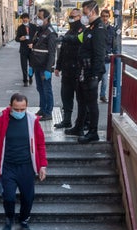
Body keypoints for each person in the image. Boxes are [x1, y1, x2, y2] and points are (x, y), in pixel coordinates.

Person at [0, 93, 47, 230]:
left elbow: (40, 144)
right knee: (8, 197)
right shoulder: (0, 121)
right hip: (8, 166)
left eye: (23, 109)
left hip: (26, 167)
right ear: (10, 107)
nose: (20, 112)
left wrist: (42, 165)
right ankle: (9, 219)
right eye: (17, 109)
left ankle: (23, 220)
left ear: (26, 107)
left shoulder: (33, 121)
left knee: (28, 197)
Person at [66, 0, 106, 143]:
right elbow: (79, 40)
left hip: (91, 73)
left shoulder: (99, 28)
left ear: (92, 11)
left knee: (91, 103)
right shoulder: (90, 28)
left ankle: (93, 132)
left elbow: (99, 54)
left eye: (84, 12)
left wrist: (95, 75)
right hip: (83, 71)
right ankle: (79, 127)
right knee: (81, 101)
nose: (83, 16)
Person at [53, 9, 85, 129]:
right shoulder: (69, 32)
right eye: (70, 16)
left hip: (78, 71)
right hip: (67, 71)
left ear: (80, 17)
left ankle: (82, 123)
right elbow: (63, 51)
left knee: (81, 99)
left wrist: (64, 38)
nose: (71, 19)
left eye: (73, 16)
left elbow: (77, 40)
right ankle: (67, 121)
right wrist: (58, 67)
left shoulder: (83, 31)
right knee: (66, 96)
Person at [28, 9, 57, 121]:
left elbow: (52, 53)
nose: (38, 19)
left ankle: (48, 112)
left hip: (44, 67)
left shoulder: (51, 32)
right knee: (40, 88)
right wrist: (31, 65)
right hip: (37, 65)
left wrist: (48, 69)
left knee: (46, 89)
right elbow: (34, 49)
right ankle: (42, 108)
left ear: (46, 18)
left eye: (40, 17)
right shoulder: (39, 31)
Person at [99, 9, 116, 102]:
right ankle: (92, 95)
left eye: (106, 16)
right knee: (96, 78)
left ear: (109, 17)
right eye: (103, 16)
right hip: (97, 57)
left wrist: (114, 54)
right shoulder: (97, 27)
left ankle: (102, 95)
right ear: (100, 17)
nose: (105, 18)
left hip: (106, 58)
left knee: (105, 79)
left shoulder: (112, 29)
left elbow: (114, 43)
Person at [15, 13, 36, 86]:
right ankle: (25, 80)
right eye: (23, 18)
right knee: (23, 66)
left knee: (31, 65)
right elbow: (16, 38)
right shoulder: (20, 27)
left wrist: (33, 44)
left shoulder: (34, 27)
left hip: (32, 49)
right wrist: (20, 39)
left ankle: (30, 76)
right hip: (23, 50)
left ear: (29, 19)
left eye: (25, 18)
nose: (24, 19)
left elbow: (37, 38)